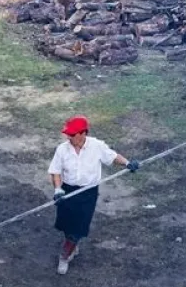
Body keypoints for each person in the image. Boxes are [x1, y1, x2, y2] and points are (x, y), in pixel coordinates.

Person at [48, 116, 139, 275]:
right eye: (68, 134)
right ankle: (72, 244)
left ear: (83, 133)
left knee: (79, 225)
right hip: (67, 190)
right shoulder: (62, 149)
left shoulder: (97, 146)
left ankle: (65, 254)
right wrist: (58, 190)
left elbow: (112, 156)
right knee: (66, 223)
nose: (69, 137)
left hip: (88, 192)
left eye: (72, 134)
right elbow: (55, 171)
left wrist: (127, 163)